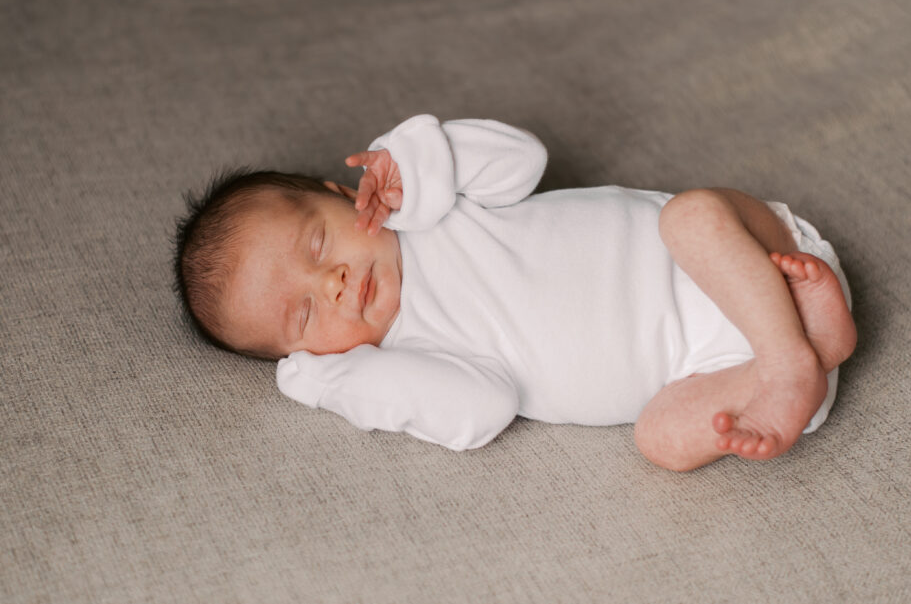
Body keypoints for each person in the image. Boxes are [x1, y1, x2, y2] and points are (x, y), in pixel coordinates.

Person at [173, 114, 856, 471]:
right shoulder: (413, 358)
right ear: (305, 355)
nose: (334, 285)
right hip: (720, 369)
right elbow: (481, 411)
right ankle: (807, 353)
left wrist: (418, 162)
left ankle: (788, 354)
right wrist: (338, 383)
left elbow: (523, 159)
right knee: (661, 441)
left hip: (746, 256)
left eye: (319, 245)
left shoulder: (427, 209)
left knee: (692, 216)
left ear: (341, 193)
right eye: (304, 314)